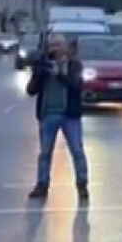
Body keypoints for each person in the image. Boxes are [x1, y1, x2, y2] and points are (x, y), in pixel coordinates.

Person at [26, 32, 90, 201]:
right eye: (51, 45)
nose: (55, 49)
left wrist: (59, 75)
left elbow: (77, 86)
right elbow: (31, 90)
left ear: (66, 47)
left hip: (70, 115)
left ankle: (82, 184)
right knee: (45, 153)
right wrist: (39, 72)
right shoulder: (43, 66)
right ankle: (42, 185)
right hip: (48, 115)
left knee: (77, 151)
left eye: (58, 45)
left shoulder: (74, 65)